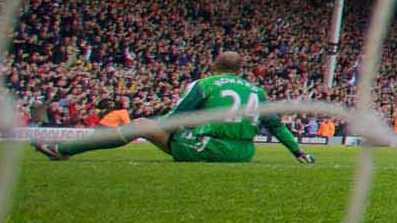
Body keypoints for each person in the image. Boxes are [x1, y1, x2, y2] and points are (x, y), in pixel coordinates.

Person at [36, 50, 313, 165]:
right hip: (243, 153)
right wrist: (298, 151)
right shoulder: (258, 91)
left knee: (140, 125)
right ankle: (61, 149)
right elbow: (276, 125)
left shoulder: (206, 84)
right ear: (241, 71)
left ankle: (62, 150)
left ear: (214, 66)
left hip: (209, 148)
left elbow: (176, 117)